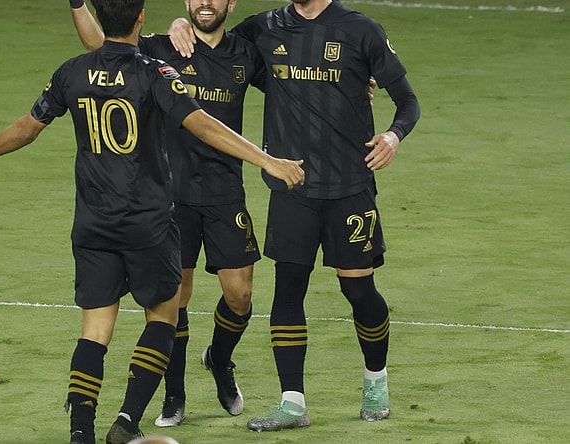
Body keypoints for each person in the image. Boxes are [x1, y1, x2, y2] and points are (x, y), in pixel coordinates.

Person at [0, 2, 304, 444]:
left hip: (93, 225)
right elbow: (201, 124)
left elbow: (29, 128)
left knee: (95, 333)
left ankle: (80, 433)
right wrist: (268, 160)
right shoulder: (154, 73)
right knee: (163, 316)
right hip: (149, 223)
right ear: (141, 18)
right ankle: (128, 420)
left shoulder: (72, 71)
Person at [169, 0, 421, 431]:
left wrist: (394, 136)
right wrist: (179, 24)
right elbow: (215, 39)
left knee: (359, 290)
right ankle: (292, 402)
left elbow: (408, 102)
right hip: (292, 184)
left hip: (350, 185)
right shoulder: (265, 27)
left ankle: (375, 378)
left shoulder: (361, 31)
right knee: (288, 292)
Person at [68, 0, 266, 428]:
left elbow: (293, 86)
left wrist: (358, 84)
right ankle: (173, 396)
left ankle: (220, 359)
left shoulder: (247, 53)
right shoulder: (162, 48)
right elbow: (100, 45)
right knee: (173, 302)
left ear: (232, 3)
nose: (204, 3)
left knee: (241, 295)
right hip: (169, 198)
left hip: (223, 192)